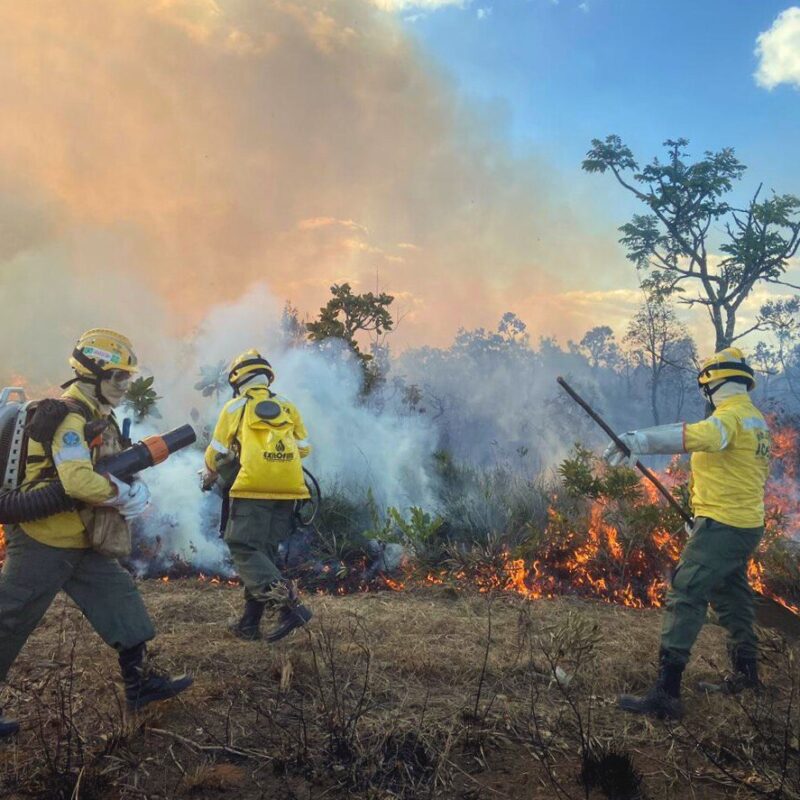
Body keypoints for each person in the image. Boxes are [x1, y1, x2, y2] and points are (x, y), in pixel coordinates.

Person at [0, 329, 192, 739]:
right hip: (43, 540)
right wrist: (122, 495)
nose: (125, 384)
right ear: (92, 373)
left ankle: (141, 685)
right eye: (117, 376)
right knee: (9, 619)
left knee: (121, 600)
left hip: (81, 538)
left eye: (127, 377)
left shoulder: (96, 415)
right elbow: (76, 482)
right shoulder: (70, 418)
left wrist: (127, 484)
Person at [604, 348, 770, 720]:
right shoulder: (756, 420)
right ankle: (747, 676)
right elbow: (738, 475)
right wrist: (702, 516)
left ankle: (666, 694)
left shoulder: (730, 419)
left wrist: (638, 440)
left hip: (725, 525)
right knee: (731, 593)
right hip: (739, 524)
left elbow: (695, 435)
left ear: (712, 384)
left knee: (686, 590)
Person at [203, 349, 313, 642]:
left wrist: (211, 471)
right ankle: (249, 623)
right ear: (266, 377)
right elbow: (304, 448)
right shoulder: (287, 406)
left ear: (237, 380)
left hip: (252, 488)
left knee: (242, 545)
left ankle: (288, 606)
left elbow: (216, 452)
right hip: (289, 490)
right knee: (262, 553)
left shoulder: (235, 407)